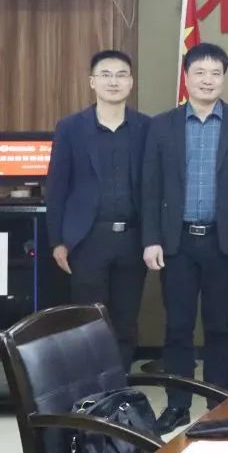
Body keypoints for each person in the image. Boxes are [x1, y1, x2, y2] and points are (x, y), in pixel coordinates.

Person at [141, 42, 228, 434]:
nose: (207, 80)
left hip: (222, 242)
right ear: (186, 77)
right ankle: (177, 404)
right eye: (199, 72)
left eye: (215, 73)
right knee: (177, 326)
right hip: (176, 243)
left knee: (219, 326)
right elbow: (150, 187)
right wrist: (151, 239)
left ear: (224, 78)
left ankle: (218, 402)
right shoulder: (162, 125)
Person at [45, 49, 150, 371]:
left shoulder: (147, 127)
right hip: (87, 239)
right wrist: (57, 241)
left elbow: (154, 187)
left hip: (133, 239)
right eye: (105, 75)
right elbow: (57, 187)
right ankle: (91, 391)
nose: (113, 81)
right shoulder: (70, 127)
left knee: (126, 321)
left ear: (131, 82)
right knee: (88, 323)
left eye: (121, 75)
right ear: (92, 82)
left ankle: (118, 388)